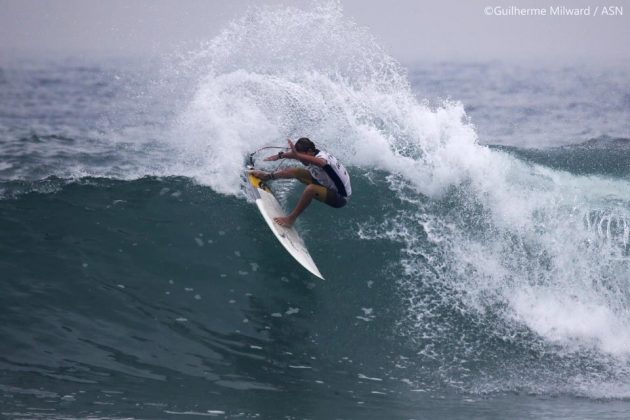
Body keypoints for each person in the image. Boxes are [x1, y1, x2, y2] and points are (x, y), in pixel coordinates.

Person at [250, 137, 352, 227]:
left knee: (310, 189)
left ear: (310, 151)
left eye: (301, 156)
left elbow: (321, 163)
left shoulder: (322, 158)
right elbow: (296, 156)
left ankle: (290, 219)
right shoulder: (313, 153)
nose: (301, 160)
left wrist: (296, 155)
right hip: (325, 184)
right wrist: (281, 156)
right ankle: (266, 176)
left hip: (340, 197)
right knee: (295, 171)